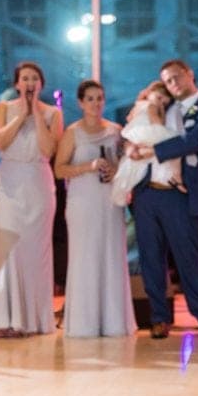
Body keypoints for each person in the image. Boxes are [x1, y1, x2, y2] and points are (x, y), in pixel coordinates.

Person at [126, 58, 198, 339]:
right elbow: (134, 133)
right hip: (146, 194)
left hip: (179, 195)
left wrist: (152, 151)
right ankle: (159, 318)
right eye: (168, 80)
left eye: (177, 77)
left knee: (189, 257)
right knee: (151, 259)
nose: (173, 83)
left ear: (190, 75)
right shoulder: (158, 106)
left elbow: (192, 143)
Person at [0, 61, 63, 337]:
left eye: (34, 79)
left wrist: (36, 115)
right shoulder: (3, 108)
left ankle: (33, 320)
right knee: (7, 248)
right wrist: (21, 115)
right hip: (9, 182)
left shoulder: (53, 113)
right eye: (25, 78)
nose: (29, 83)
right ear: (17, 83)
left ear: (41, 84)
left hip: (38, 183)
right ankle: (1, 319)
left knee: (34, 253)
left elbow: (49, 149)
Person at [54, 79, 136, 337]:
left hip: (109, 200)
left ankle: (113, 321)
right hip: (82, 201)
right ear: (80, 103)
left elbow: (127, 163)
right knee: (84, 257)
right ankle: (84, 322)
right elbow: (59, 168)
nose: (96, 103)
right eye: (90, 98)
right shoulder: (72, 132)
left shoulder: (115, 131)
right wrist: (87, 167)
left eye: (99, 98)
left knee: (111, 255)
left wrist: (117, 170)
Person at [109, 80, 179, 206]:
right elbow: (157, 126)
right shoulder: (151, 106)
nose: (160, 103)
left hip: (136, 138)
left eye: (164, 103)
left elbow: (130, 120)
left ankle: (124, 193)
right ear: (149, 93)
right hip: (146, 134)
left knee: (132, 168)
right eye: (159, 98)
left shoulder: (138, 105)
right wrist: (162, 114)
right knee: (171, 144)